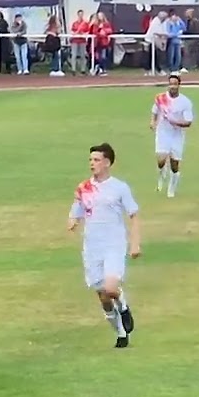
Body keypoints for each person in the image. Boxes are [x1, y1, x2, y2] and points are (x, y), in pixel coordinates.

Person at [67, 143, 142, 349]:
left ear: (107, 162)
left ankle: (123, 307)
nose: (92, 164)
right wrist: (73, 221)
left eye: (96, 160)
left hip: (114, 244)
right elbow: (76, 211)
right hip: (92, 247)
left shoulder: (120, 188)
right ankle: (121, 333)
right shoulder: (84, 188)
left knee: (111, 288)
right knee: (103, 297)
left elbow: (134, 215)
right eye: (91, 160)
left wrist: (135, 243)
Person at [149, 73, 195, 198]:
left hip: (177, 135)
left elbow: (188, 122)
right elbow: (154, 111)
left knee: (174, 165)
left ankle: (172, 188)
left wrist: (175, 122)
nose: (172, 87)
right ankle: (161, 176)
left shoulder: (185, 102)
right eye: (170, 84)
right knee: (160, 160)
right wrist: (153, 122)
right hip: (163, 133)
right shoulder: (161, 98)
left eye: (175, 84)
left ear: (179, 85)